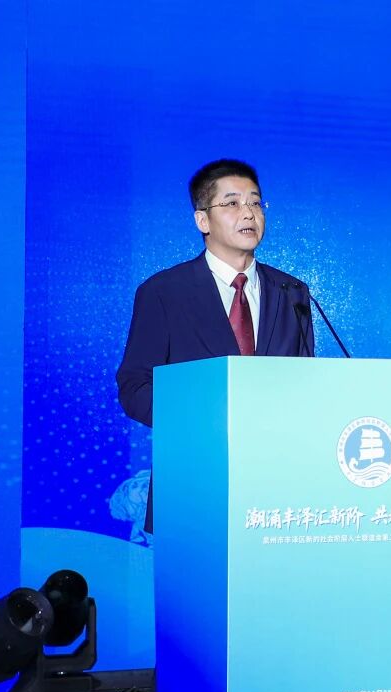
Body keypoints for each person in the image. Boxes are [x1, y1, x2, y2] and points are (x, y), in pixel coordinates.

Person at [116, 158, 315, 534]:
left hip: (277, 488)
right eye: (232, 203)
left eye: (255, 202)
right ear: (202, 220)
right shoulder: (164, 292)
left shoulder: (292, 292)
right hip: (193, 482)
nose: (249, 213)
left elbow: (305, 383)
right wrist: (201, 420)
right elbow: (134, 387)